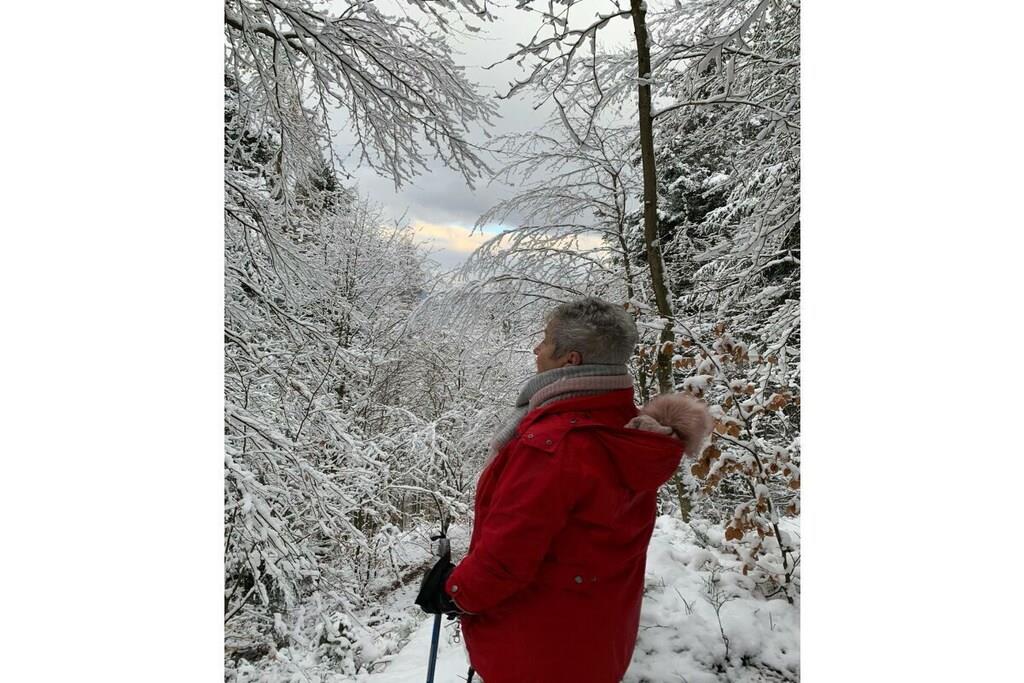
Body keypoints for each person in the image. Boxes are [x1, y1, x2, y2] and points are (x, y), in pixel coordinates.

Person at [417, 297, 712, 683]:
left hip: (536, 655)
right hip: (596, 644)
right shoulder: (629, 429)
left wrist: (451, 591)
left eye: (545, 340)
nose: (536, 349)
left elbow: (506, 559)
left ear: (571, 359)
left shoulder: (555, 445)